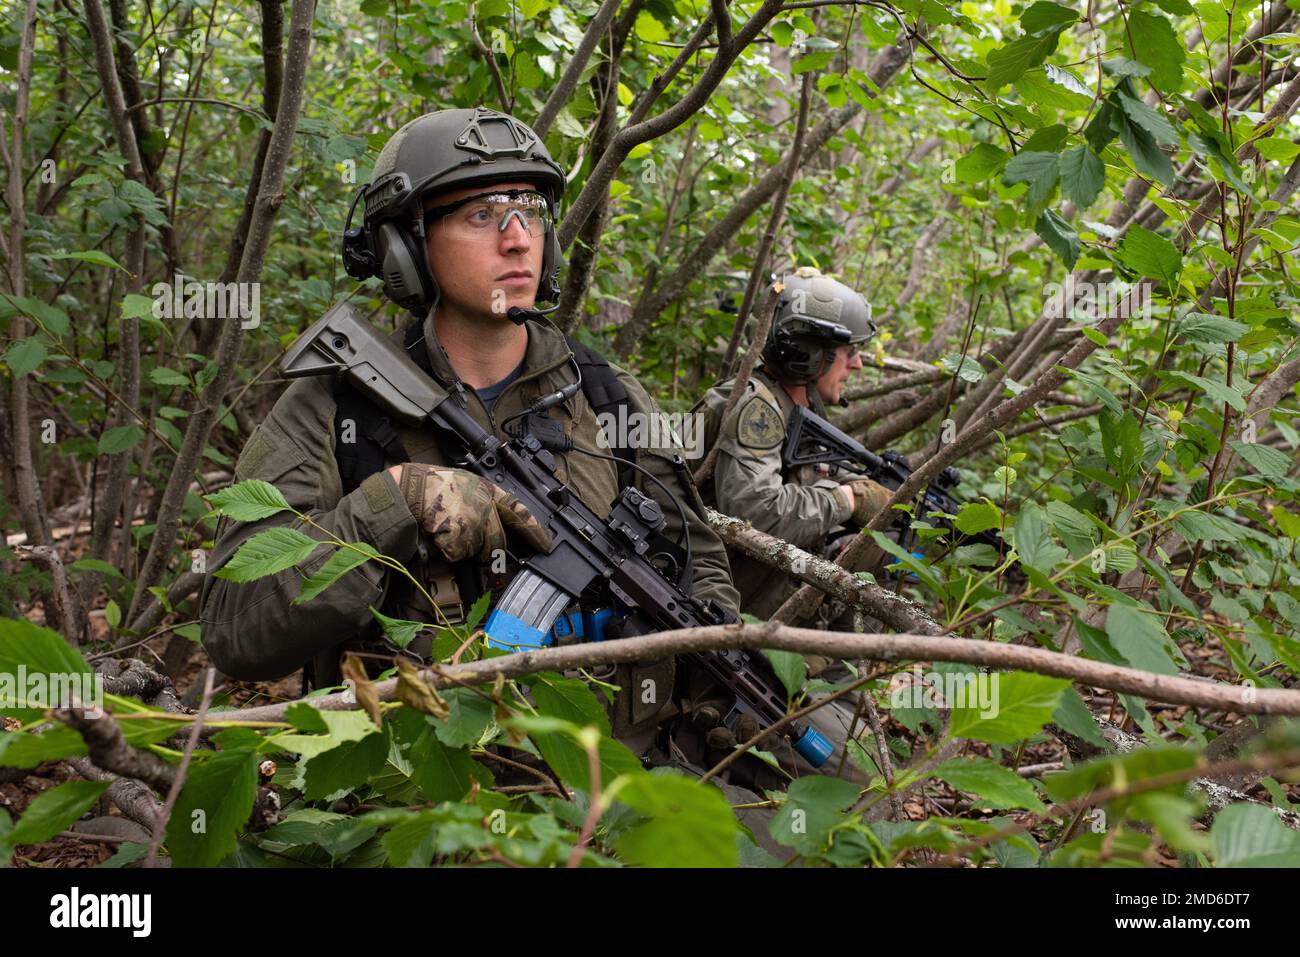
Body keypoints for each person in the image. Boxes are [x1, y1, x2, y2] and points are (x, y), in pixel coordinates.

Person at [198, 106, 739, 757]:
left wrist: (711, 680)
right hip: (420, 787)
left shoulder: (608, 395)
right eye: (481, 214)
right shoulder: (331, 409)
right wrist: (391, 503)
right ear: (406, 244)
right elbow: (234, 628)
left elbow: (700, 562)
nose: (517, 239)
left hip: (612, 783)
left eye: (530, 210)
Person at [698, 266, 893, 634]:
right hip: (707, 595)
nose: (857, 363)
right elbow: (754, 511)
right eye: (848, 351)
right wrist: (847, 500)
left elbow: (820, 470)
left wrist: (871, 490)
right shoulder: (760, 407)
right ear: (808, 352)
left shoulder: (792, 408)